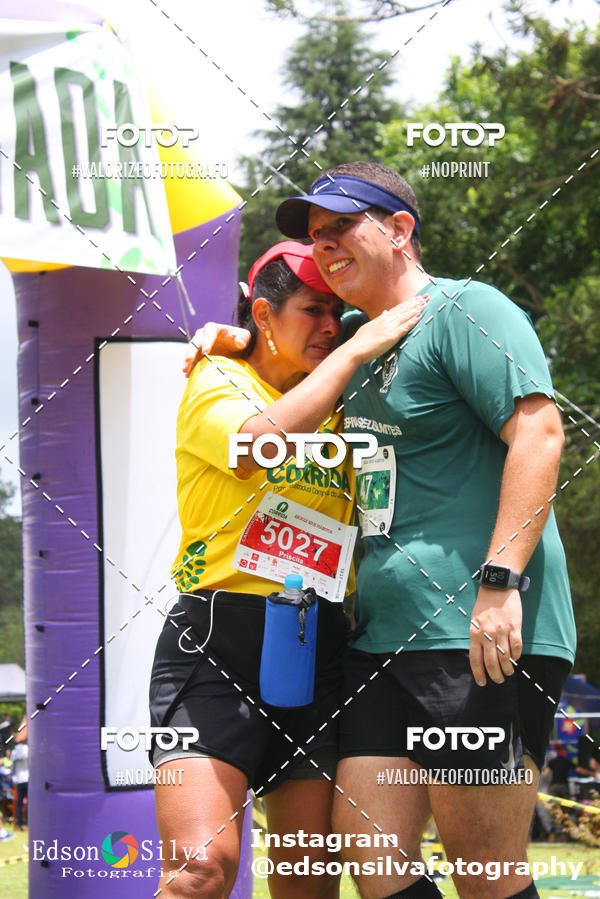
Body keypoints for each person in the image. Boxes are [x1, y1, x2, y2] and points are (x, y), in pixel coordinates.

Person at [271, 160, 577, 899]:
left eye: (341, 226)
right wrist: (220, 335)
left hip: (477, 634)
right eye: (316, 236)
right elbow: (276, 361)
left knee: (483, 869)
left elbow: (539, 434)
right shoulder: (352, 341)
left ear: (401, 229)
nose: (324, 246)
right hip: (380, 638)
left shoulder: (468, 309)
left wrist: (500, 582)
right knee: (374, 860)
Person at [150, 239, 425, 898]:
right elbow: (255, 443)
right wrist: (340, 349)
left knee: (307, 883)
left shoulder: (341, 400)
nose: (331, 326)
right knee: (199, 870)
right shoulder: (217, 378)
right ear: (263, 315)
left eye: (337, 312)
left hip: (317, 646)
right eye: (312, 309)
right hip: (217, 646)